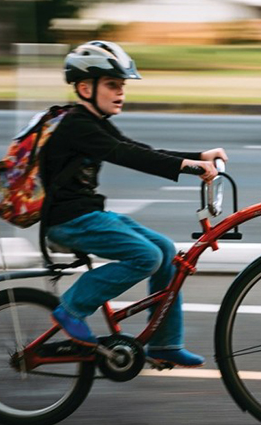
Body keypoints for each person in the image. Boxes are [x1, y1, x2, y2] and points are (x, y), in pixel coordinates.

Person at [45, 41, 226, 368]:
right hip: (69, 221)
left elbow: (136, 147)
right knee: (146, 256)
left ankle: (165, 343)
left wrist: (197, 157)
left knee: (166, 252)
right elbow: (127, 156)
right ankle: (71, 308)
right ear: (85, 87)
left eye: (122, 85)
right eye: (112, 84)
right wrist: (188, 167)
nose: (121, 92)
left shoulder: (93, 120)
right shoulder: (76, 125)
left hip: (89, 214)